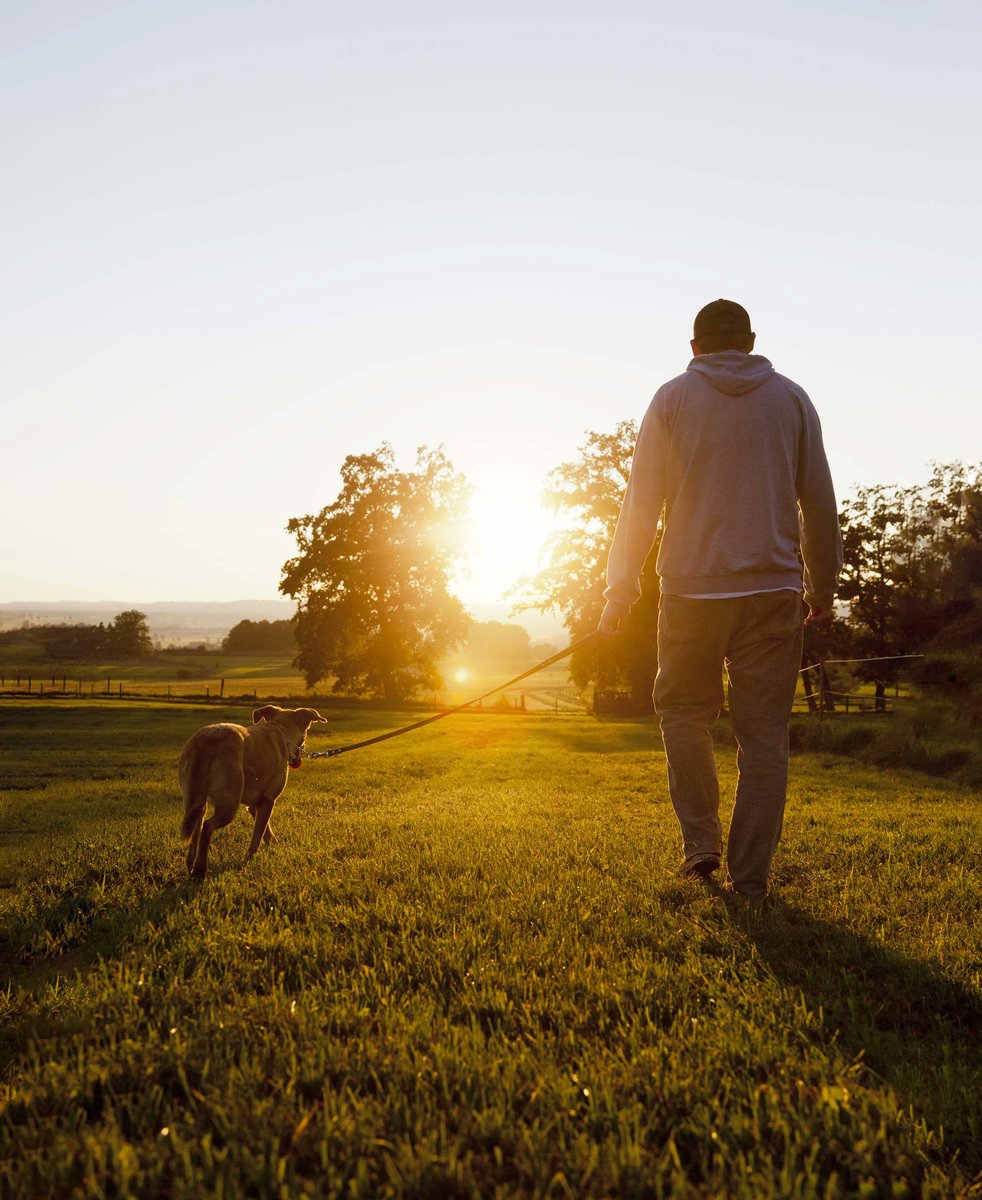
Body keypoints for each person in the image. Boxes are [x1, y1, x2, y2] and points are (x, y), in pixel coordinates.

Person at [599, 299, 842, 899]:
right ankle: (752, 878)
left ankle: (701, 845)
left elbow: (641, 503)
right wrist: (824, 585)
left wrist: (620, 590)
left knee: (683, 714)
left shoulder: (673, 399)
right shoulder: (791, 398)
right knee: (763, 738)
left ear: (695, 347)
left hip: (689, 592)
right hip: (774, 592)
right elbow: (819, 500)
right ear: (752, 341)